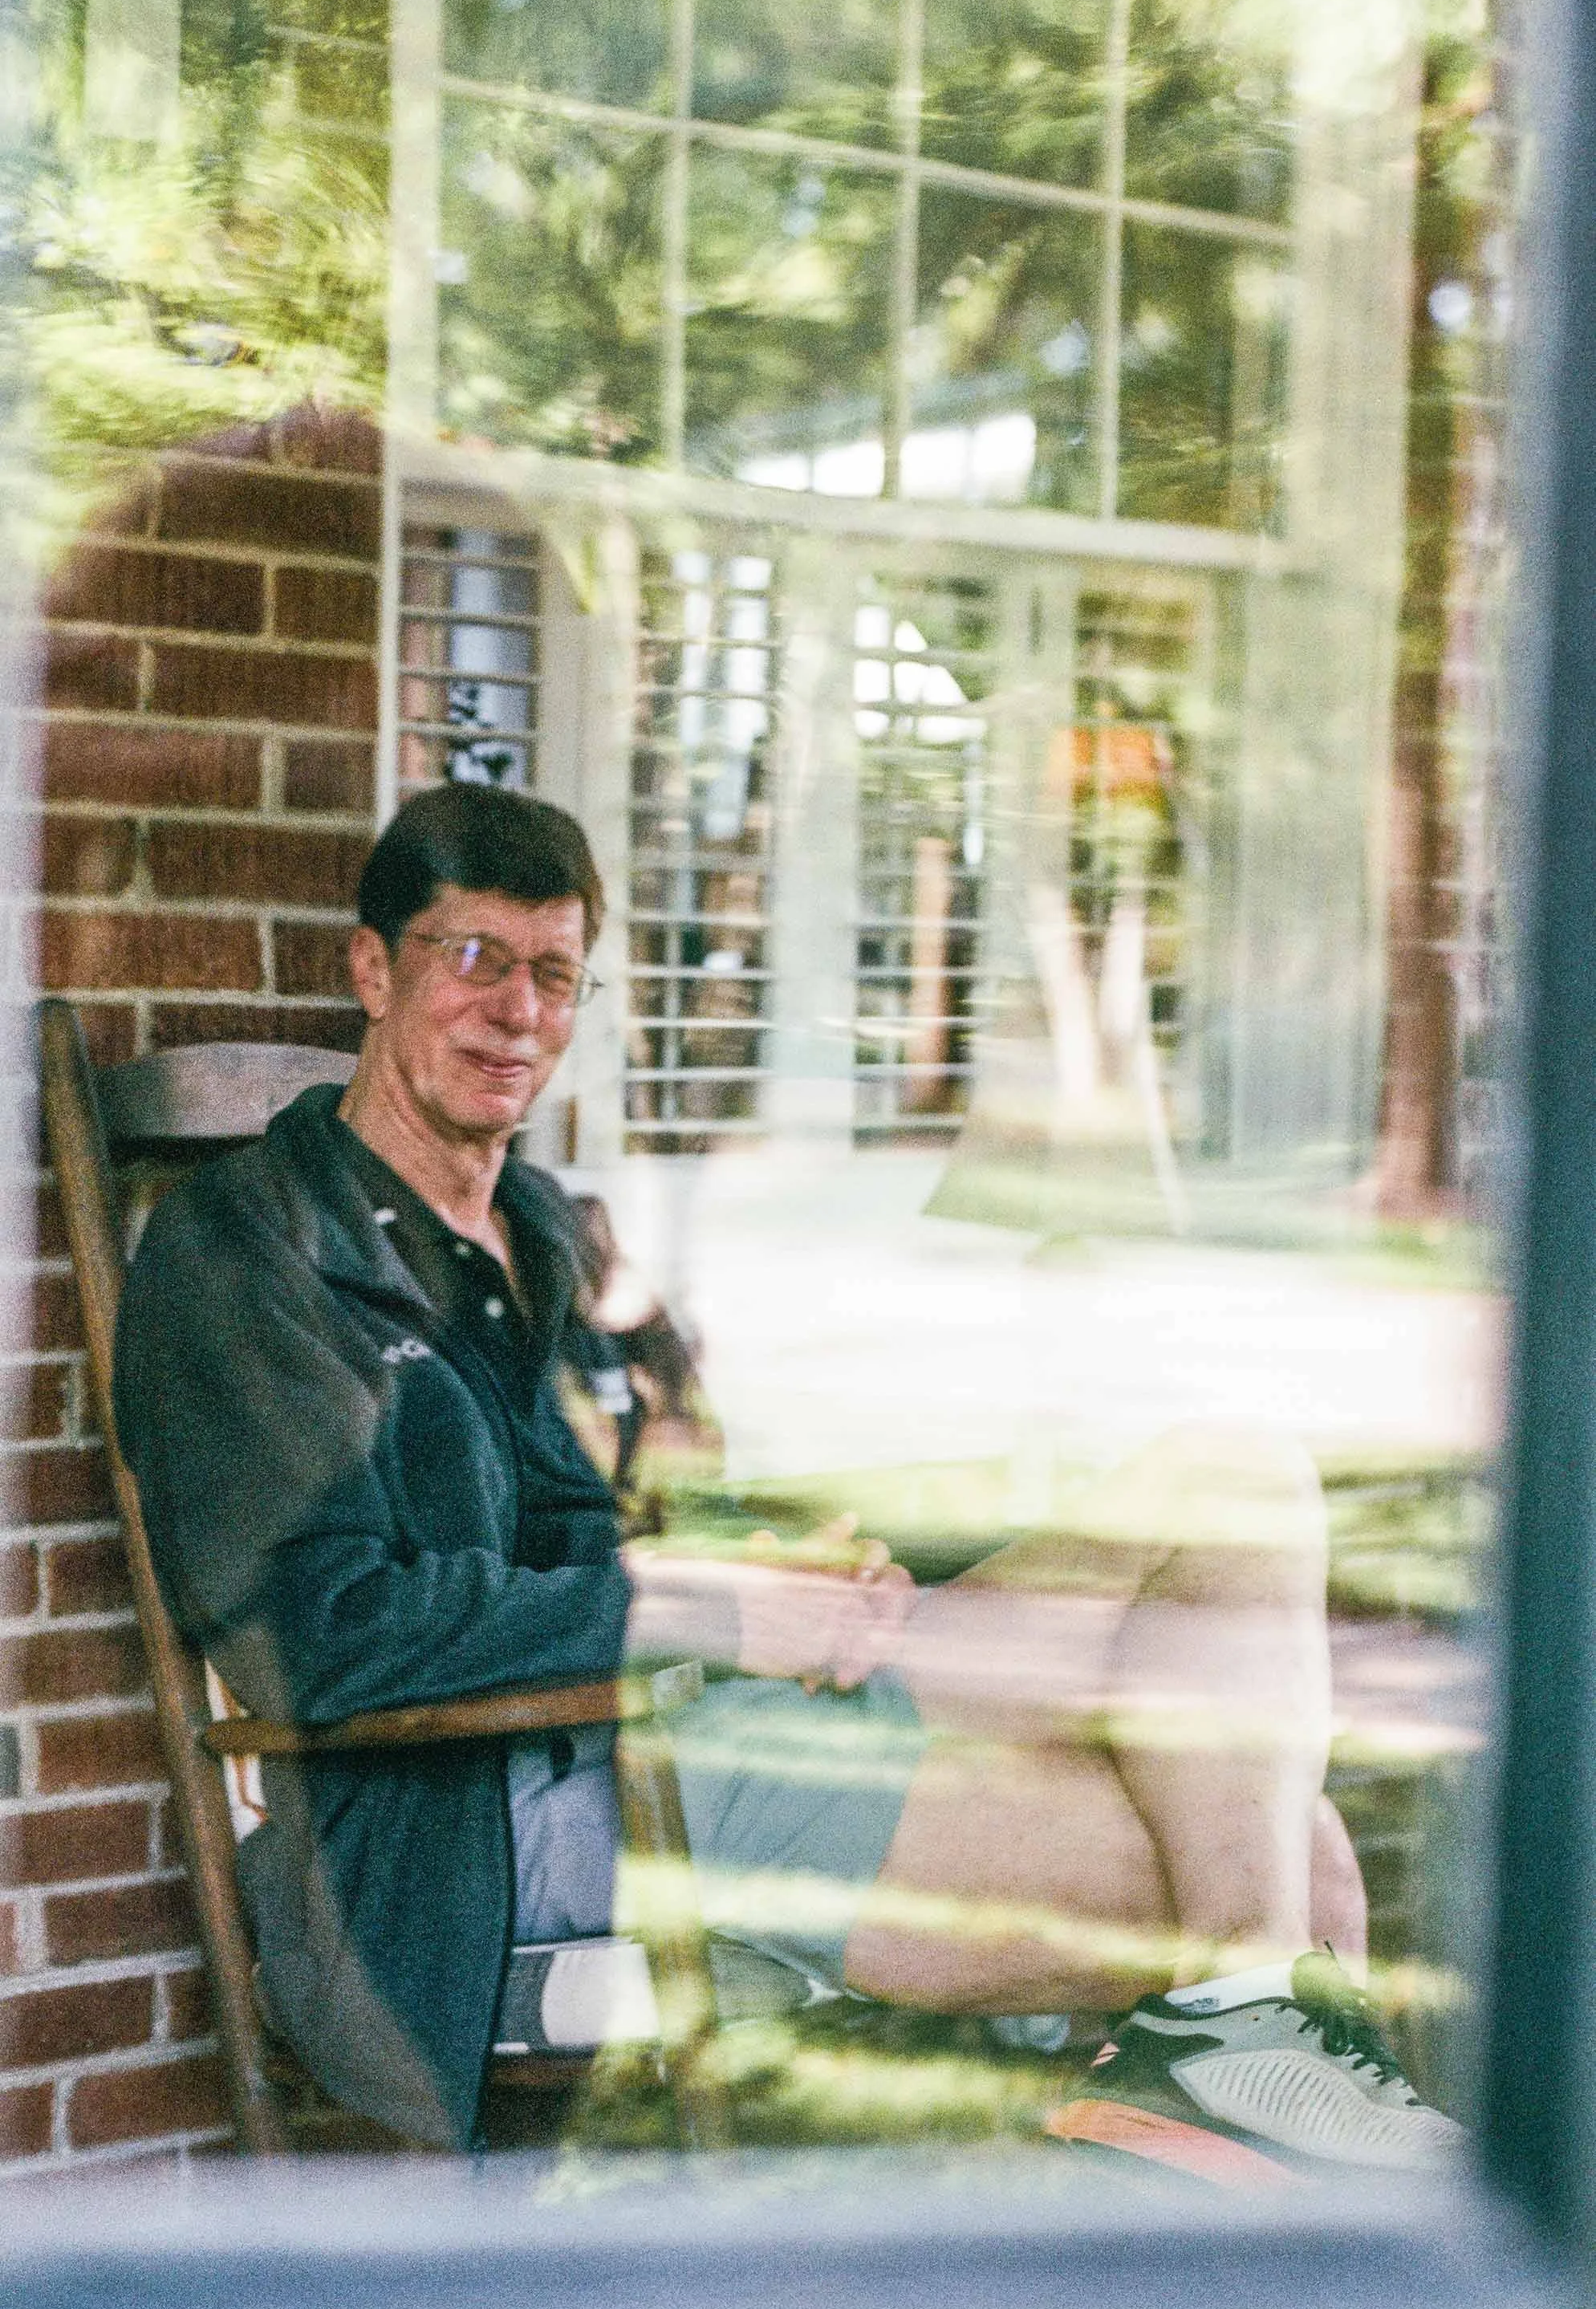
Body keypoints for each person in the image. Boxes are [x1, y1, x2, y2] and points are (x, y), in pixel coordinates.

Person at [113, 783, 1460, 2172]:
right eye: (474, 960)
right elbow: (319, 1637)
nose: (516, 1010)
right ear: (373, 969)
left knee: (1233, 1476)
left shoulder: (547, 1233)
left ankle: (1229, 2080)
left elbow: (666, 1499)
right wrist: (693, 1605)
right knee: (1299, 1860)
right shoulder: (243, 1254)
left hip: (715, 1700)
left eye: (554, 974)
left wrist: (797, 1561)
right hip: (508, 1796)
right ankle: (1245, 2137)